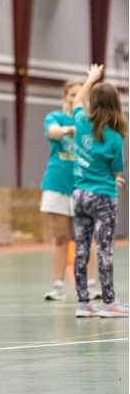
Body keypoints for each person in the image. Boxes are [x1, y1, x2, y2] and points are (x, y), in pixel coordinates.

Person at [71, 63, 127, 318]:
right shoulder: (115, 138)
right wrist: (115, 179)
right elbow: (117, 171)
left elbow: (77, 102)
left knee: (81, 248)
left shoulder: (82, 122)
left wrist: (91, 79)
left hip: (79, 195)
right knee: (104, 249)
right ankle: (109, 302)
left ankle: (83, 303)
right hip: (103, 196)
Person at [40, 79, 98, 301]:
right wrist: (68, 130)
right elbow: (53, 132)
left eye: (80, 94)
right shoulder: (55, 117)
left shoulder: (90, 122)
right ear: (65, 96)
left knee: (86, 238)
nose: (76, 98)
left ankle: (91, 286)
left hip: (83, 186)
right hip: (56, 185)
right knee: (61, 237)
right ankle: (58, 286)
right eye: (72, 94)